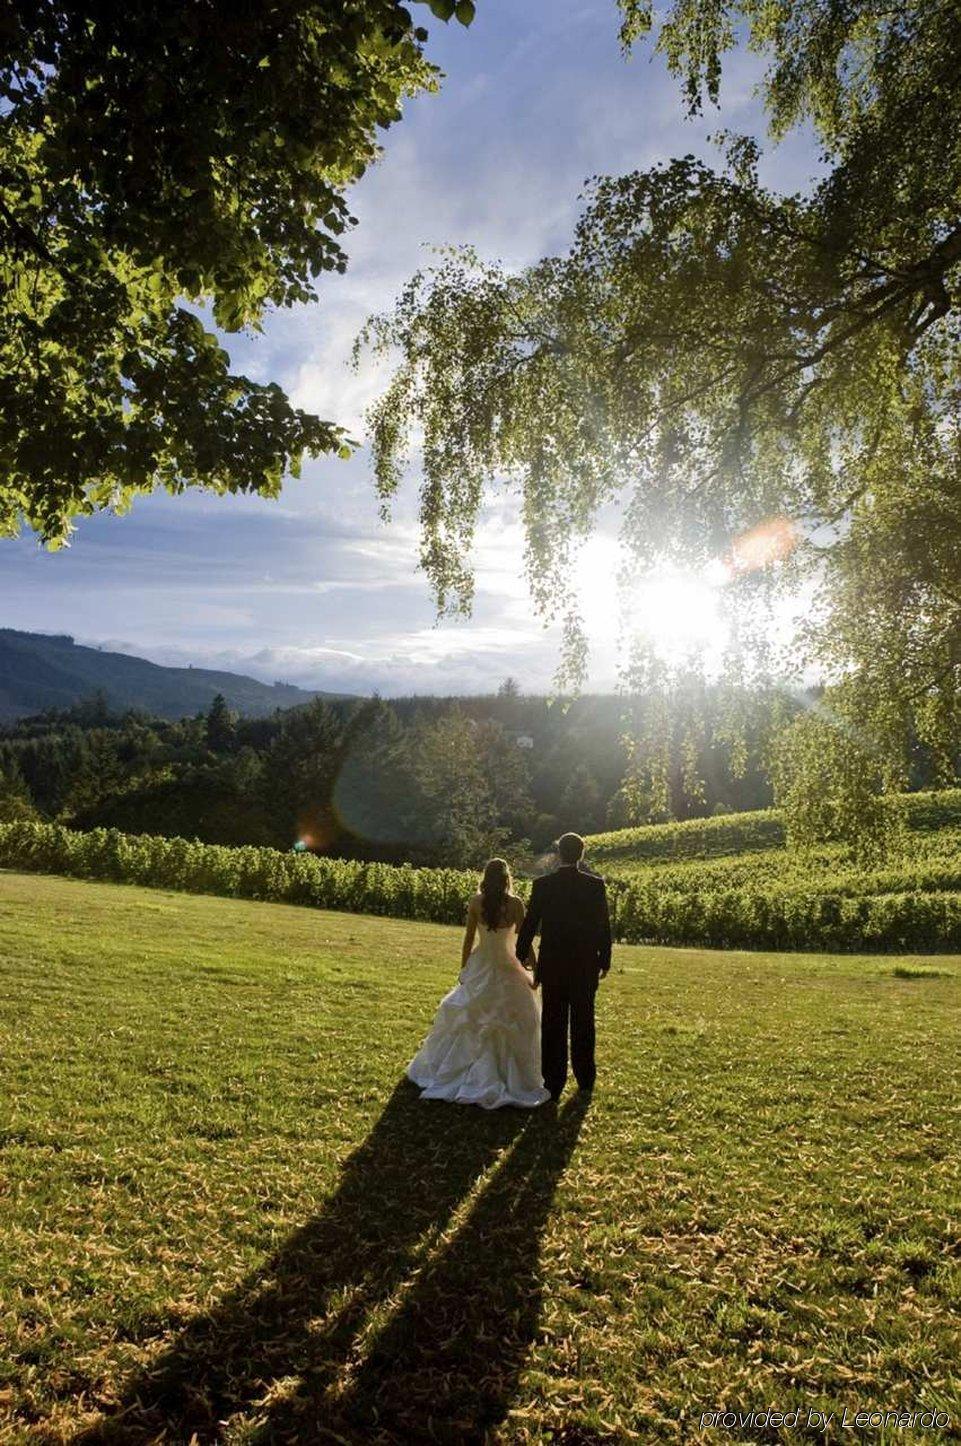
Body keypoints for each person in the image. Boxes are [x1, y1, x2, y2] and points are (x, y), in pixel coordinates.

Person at [406, 858, 551, 1109]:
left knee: (470, 1016)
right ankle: (507, 1076)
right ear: (507, 878)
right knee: (512, 1018)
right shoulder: (515, 904)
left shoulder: (476, 902)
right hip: (508, 966)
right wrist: (536, 971)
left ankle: (460, 1071)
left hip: (482, 962)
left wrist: (465, 968)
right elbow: (524, 944)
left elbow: (469, 938)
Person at [515, 831, 611, 1101]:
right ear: (582, 854)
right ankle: (585, 1077)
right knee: (584, 1020)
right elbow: (603, 925)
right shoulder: (595, 886)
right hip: (584, 963)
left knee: (553, 1023)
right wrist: (605, 958)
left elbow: (530, 924)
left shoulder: (543, 885)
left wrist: (520, 955)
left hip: (553, 963)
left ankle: (554, 1080)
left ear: (559, 853)